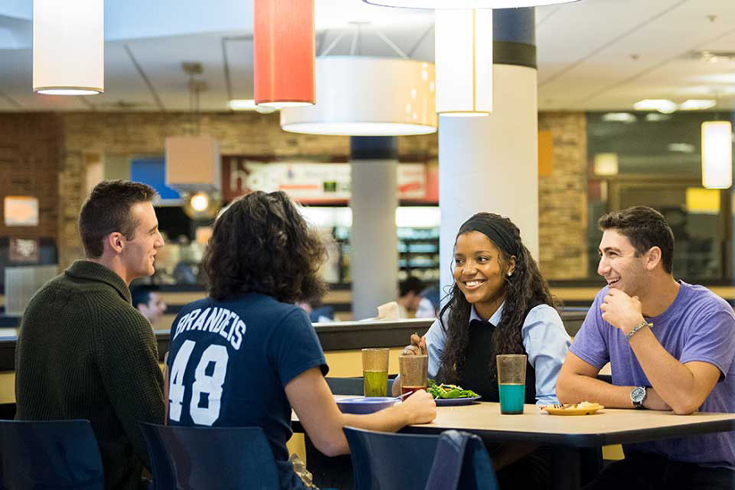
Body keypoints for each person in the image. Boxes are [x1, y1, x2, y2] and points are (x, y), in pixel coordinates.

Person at [166, 191, 436, 490]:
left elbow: (176, 420)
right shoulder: (283, 321)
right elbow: (332, 438)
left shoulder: (187, 317)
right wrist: (406, 412)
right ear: (292, 251)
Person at [556, 206, 735, 489]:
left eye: (613, 254)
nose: (602, 267)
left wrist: (633, 326)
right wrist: (643, 397)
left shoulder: (711, 312)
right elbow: (567, 386)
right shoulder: (608, 300)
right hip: (642, 467)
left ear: (652, 257)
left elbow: (685, 399)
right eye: (601, 254)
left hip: (711, 471)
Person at [395, 212, 570, 488]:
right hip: (467, 453)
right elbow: (400, 395)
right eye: (460, 260)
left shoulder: (538, 319)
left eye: (482, 259)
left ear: (510, 265)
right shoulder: (454, 318)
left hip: (526, 458)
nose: (467, 270)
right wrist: (410, 364)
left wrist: (486, 466)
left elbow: (553, 413)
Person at [15, 180, 166, 490]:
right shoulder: (124, 322)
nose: (160, 242)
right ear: (117, 242)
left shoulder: (40, 301)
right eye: (151, 232)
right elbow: (157, 448)